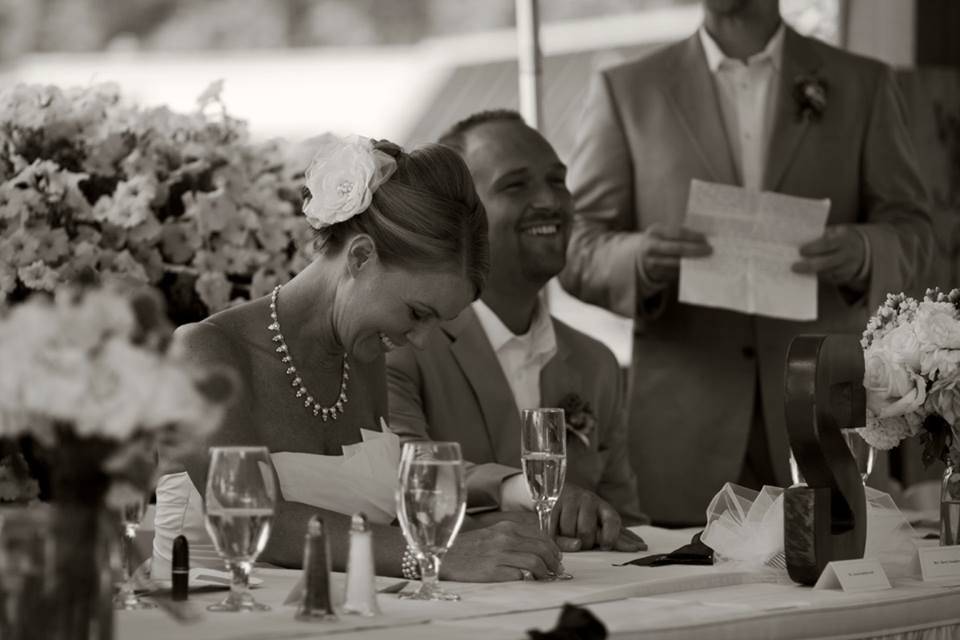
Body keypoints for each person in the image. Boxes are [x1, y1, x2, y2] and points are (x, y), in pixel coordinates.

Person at [560, 0, 933, 525]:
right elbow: (575, 245)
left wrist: (866, 250)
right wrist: (639, 257)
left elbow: (917, 232)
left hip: (824, 408)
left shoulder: (862, 83)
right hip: (683, 422)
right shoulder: (627, 90)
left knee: (831, 584)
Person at [155, 134, 563, 582]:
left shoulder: (363, 359)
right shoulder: (202, 353)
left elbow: (375, 530)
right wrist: (436, 556)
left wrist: (503, 535)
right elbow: (256, 520)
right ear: (361, 256)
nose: (421, 341)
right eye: (417, 313)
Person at [387, 111, 647, 553]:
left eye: (559, 181)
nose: (550, 201)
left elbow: (630, 526)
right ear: (460, 217)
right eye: (516, 185)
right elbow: (406, 475)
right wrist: (515, 494)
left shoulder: (596, 362)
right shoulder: (404, 344)